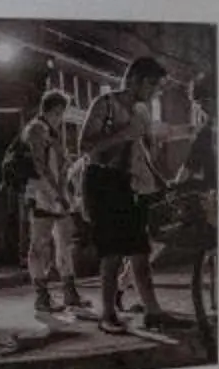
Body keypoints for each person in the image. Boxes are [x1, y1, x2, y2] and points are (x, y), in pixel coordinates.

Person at [76, 57, 197, 334]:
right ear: (135, 80)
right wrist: (124, 133)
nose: (156, 91)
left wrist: (161, 178)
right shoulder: (104, 104)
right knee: (112, 253)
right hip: (104, 182)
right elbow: (85, 146)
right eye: (153, 84)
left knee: (140, 253)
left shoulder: (142, 110)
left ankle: (154, 312)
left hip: (132, 185)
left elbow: (145, 145)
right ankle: (107, 314)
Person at [14, 90, 84, 318]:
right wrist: (58, 193)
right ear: (51, 110)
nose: (61, 117)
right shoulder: (37, 129)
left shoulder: (50, 131)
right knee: (40, 245)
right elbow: (40, 166)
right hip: (43, 196)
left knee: (64, 243)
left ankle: (69, 292)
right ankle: (42, 296)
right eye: (59, 112)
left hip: (56, 196)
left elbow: (57, 165)